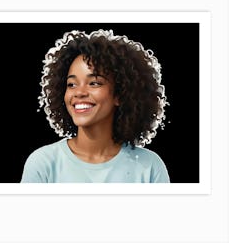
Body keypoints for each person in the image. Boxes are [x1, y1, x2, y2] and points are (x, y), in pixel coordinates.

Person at [21, 29, 170, 183]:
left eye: (94, 83)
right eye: (71, 84)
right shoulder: (43, 164)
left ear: (120, 94)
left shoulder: (149, 167)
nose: (79, 92)